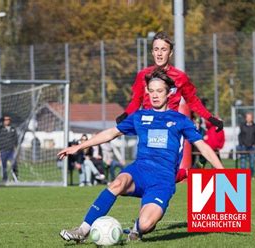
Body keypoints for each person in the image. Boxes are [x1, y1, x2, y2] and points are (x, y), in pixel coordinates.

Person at [58, 67, 224, 243]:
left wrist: (222, 172)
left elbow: (203, 147)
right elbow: (110, 133)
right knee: (117, 183)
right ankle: (82, 230)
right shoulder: (139, 116)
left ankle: (136, 230)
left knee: (146, 224)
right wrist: (79, 147)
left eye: (159, 91)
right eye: (151, 91)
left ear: (169, 93)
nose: (155, 95)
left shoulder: (180, 120)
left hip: (163, 180)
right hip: (140, 171)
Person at [115, 31, 223, 182]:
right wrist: (125, 115)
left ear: (170, 53)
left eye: (163, 49)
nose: (159, 53)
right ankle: (190, 172)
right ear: (152, 52)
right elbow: (136, 100)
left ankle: (189, 172)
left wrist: (211, 118)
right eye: (156, 49)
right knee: (154, 174)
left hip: (171, 128)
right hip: (148, 127)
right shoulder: (143, 75)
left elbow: (193, 101)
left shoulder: (180, 77)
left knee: (165, 174)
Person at [0, 115, 19, 182]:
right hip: (3, 149)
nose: (6, 121)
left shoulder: (13, 129)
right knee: (4, 165)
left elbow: (16, 139)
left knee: (14, 163)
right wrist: (0, 120)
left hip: (11, 150)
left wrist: (16, 147)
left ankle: (15, 177)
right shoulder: (1, 128)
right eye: (5, 120)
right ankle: (5, 179)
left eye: (8, 120)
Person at [238, 112, 255, 177]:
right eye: (248, 117)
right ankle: (243, 176)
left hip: (252, 147)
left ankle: (251, 176)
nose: (249, 119)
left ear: (252, 118)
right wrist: (241, 144)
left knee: (252, 162)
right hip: (243, 146)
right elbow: (240, 135)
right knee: (243, 162)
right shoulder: (242, 125)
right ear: (246, 118)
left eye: (250, 117)